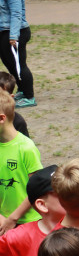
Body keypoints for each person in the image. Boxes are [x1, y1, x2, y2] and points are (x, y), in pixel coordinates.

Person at [0, 90, 41, 235]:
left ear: (1, 118)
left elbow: (38, 188)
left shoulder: (26, 148)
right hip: (3, 222)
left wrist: (13, 218)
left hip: (28, 221)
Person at [0, 0, 34, 108]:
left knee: (20, 65)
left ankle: (29, 96)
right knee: (10, 64)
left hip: (16, 32)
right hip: (5, 31)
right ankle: (21, 88)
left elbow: (16, 14)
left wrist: (14, 36)